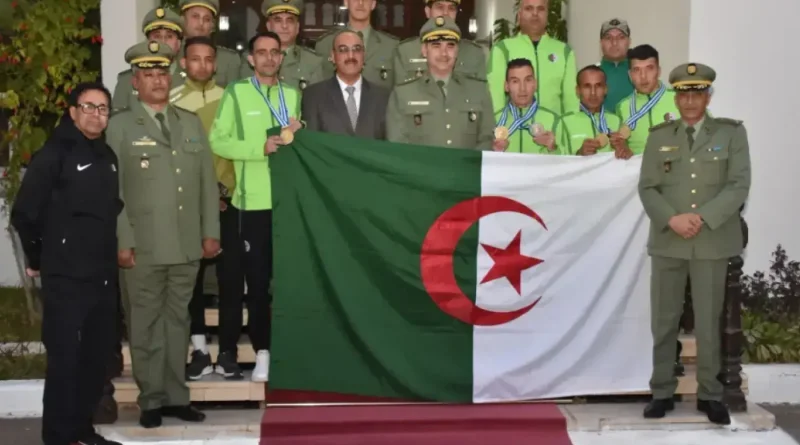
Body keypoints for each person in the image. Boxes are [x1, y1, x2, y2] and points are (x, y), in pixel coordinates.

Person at [107, 40, 220, 428]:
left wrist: (210, 231)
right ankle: (151, 400)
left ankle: (175, 396)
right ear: (135, 82)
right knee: (146, 325)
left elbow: (206, 182)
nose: (157, 80)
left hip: (186, 244)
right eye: (148, 75)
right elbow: (113, 192)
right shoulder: (120, 126)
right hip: (144, 247)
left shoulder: (189, 122)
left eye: (162, 73)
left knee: (178, 323)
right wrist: (123, 240)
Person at [639, 63, 751, 425]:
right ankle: (661, 391)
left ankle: (710, 395)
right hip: (669, 239)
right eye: (683, 94)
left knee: (708, 322)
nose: (690, 101)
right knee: (664, 320)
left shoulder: (731, 134)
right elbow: (647, 187)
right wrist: (672, 218)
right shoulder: (658, 136)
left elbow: (738, 184)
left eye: (697, 93)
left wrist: (700, 217)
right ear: (676, 97)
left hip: (711, 241)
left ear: (708, 96)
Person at [11, 83, 122, 445]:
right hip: (66, 277)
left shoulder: (107, 156)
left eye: (103, 108)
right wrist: (39, 258)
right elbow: (24, 213)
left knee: (96, 358)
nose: (96, 114)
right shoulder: (53, 154)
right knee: (65, 361)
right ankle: (59, 437)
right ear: (73, 111)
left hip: (101, 276)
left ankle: (81, 431)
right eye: (88, 106)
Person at [209, 31, 303, 382]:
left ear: (282, 57)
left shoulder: (292, 95)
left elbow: (299, 143)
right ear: (251, 59)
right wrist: (257, 149)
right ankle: (262, 351)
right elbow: (218, 141)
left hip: (287, 204)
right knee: (258, 284)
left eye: (274, 52)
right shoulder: (236, 92)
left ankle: (289, 349)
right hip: (251, 206)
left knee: (289, 282)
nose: (268, 58)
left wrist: (300, 130)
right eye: (261, 52)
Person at [171, 36, 240, 381]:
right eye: (195, 59)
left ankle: (227, 352)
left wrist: (224, 191)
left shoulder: (230, 98)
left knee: (231, 281)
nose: (203, 65)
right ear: (183, 63)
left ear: (216, 63)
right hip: (188, 206)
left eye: (209, 59)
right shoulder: (171, 101)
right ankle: (198, 350)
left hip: (228, 202)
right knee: (191, 282)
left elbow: (235, 149)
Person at [386, 16, 493, 149]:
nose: (444, 53)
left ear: (457, 50)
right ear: (424, 50)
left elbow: (487, 139)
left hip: (467, 163)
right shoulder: (403, 94)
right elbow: (398, 144)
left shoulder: (478, 90)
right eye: (436, 46)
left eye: (450, 46)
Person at [487, 0, 578, 116]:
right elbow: (495, 101)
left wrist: (568, 127)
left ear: (547, 15)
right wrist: (502, 126)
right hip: (513, 126)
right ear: (519, 15)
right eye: (529, 8)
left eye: (540, 9)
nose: (535, 13)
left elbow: (572, 102)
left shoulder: (564, 51)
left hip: (554, 127)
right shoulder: (502, 49)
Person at [302, 30, 391, 139]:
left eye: (357, 49)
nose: (351, 56)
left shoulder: (383, 96)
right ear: (333, 56)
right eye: (343, 50)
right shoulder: (313, 96)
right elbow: (311, 142)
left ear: (364, 55)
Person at [392, 0, 485, 84]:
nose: (445, 13)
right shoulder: (405, 51)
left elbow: (481, 93)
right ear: (428, 12)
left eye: (451, 8)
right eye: (439, 7)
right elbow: (400, 93)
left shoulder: (474, 53)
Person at [112, 7, 186, 111]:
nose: (163, 41)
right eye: (157, 36)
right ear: (147, 42)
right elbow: (118, 119)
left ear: (178, 44)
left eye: (169, 36)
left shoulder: (191, 78)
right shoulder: (127, 80)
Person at [240, 0, 324, 91]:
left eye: (290, 20)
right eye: (278, 20)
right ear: (268, 26)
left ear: (297, 27)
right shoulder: (251, 59)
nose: (284, 26)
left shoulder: (312, 62)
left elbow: (317, 98)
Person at [313, 0, 399, 89]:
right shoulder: (325, 44)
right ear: (346, 2)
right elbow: (318, 90)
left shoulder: (391, 46)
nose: (361, 3)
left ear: (373, 4)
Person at [614, 44, 679, 154]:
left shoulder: (680, 99)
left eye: (649, 68)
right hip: (637, 165)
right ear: (630, 75)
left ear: (658, 71)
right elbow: (618, 146)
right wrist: (622, 148)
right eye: (636, 70)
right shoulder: (621, 107)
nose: (643, 76)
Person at [557, 65, 630, 158]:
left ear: (605, 89)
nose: (593, 93)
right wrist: (579, 154)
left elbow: (627, 158)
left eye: (598, 86)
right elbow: (556, 161)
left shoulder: (616, 121)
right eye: (587, 86)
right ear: (578, 90)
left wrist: (624, 151)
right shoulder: (563, 122)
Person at [492, 58, 559, 154]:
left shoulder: (554, 120)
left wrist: (553, 148)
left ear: (535, 84)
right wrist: (492, 151)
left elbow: (568, 160)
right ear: (506, 86)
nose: (522, 88)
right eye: (515, 81)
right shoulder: (493, 120)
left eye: (528, 80)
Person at [178, 0, 242, 86]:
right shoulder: (172, 55)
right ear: (182, 20)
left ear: (212, 26)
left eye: (207, 19)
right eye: (195, 17)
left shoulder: (229, 60)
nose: (201, 23)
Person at [597, 18, 633, 110]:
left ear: (629, 42)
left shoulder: (639, 73)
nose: (614, 43)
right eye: (608, 38)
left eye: (621, 37)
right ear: (601, 43)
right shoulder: (591, 75)